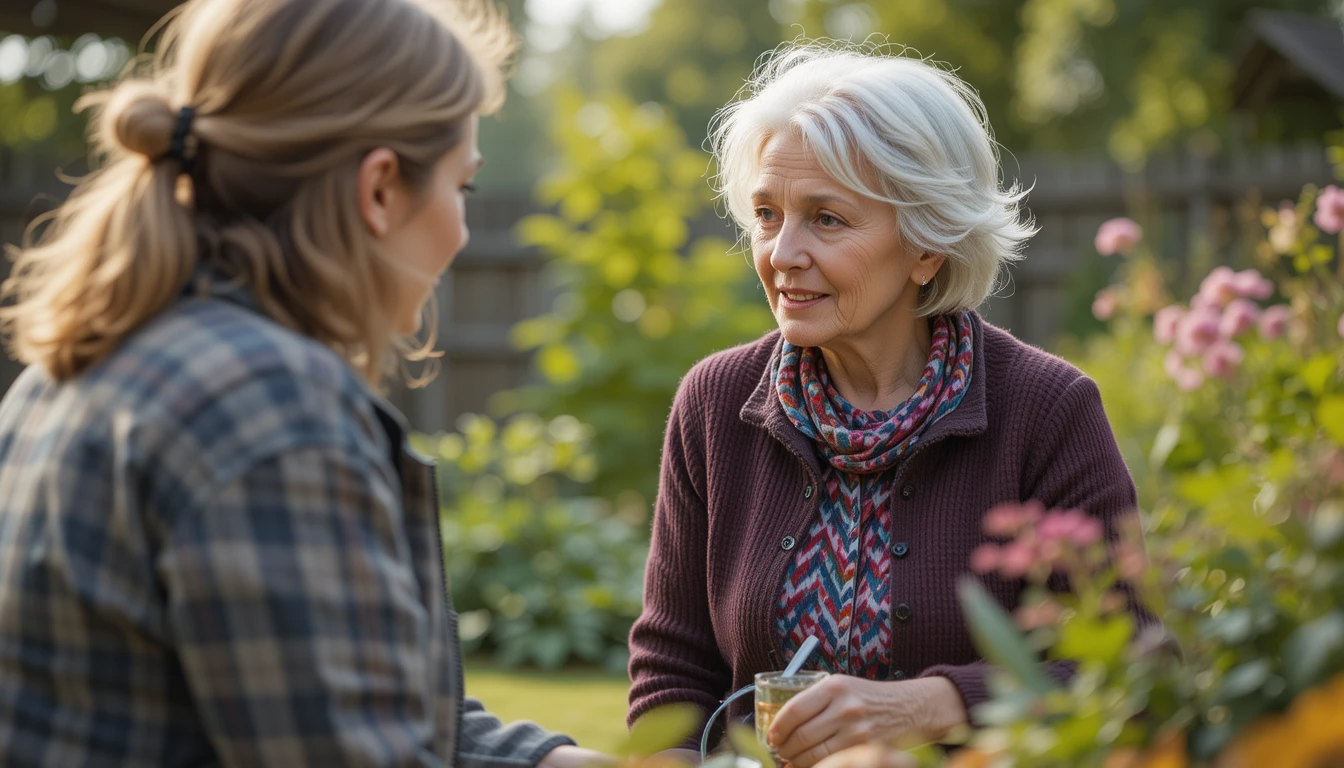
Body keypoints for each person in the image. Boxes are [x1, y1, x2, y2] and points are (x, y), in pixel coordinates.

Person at [0, 1, 605, 766]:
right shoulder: (266, 408)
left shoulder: (74, 373)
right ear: (380, 189)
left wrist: (558, 762)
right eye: (464, 188)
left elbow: (341, 699)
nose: (463, 229)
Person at [627, 43, 1148, 766]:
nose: (782, 252)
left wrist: (931, 707)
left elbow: (1133, 666)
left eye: (827, 219)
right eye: (767, 214)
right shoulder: (714, 405)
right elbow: (673, 673)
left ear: (927, 247)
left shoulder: (1048, 410)